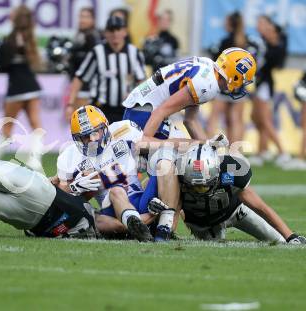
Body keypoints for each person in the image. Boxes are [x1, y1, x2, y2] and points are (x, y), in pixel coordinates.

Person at [57, 105, 198, 242]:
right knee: (116, 190)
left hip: (140, 200)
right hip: (112, 209)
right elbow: (58, 195)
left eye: (96, 132)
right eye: (85, 137)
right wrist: (75, 188)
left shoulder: (124, 130)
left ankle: (165, 229)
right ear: (77, 139)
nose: (93, 140)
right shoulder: (70, 156)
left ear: (105, 126)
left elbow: (165, 144)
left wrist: (200, 144)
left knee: (169, 164)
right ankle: (139, 224)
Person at [147, 143, 306, 244]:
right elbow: (173, 214)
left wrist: (290, 235)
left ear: (217, 171)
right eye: (195, 186)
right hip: (203, 226)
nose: (199, 190)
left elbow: (260, 207)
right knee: (215, 251)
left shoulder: (230, 170)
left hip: (235, 212)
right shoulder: (177, 175)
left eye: (204, 185)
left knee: (280, 241)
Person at [122, 47, 257, 142]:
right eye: (242, 80)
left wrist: (209, 147)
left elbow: (190, 120)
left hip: (143, 107)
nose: (241, 85)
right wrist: (146, 142)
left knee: (189, 153)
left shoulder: (209, 71)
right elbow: (161, 110)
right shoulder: (208, 84)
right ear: (235, 75)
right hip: (144, 111)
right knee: (180, 154)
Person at [68, 16, 146, 124]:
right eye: (111, 30)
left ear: (125, 32)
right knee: (99, 140)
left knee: (126, 140)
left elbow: (142, 81)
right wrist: (70, 104)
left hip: (126, 110)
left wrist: (136, 97)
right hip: (100, 110)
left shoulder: (134, 53)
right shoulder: (97, 52)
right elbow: (79, 77)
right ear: (105, 33)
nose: (115, 34)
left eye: (118, 29)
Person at [0, 5, 43, 170]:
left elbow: (4, 63)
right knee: (35, 123)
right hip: (31, 84)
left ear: (16, 18)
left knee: (7, 124)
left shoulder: (12, 37)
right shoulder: (30, 36)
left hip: (17, 86)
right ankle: (35, 160)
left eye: (13, 13)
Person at [207, 12, 262, 144]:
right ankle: (235, 151)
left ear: (230, 24)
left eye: (226, 21)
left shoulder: (225, 42)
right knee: (236, 119)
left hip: (223, 83)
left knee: (214, 117)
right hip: (239, 85)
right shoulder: (247, 41)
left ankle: (205, 147)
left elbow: (216, 63)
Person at [248, 15, 290, 167]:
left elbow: (268, 64)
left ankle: (282, 152)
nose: (262, 28)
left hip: (265, 84)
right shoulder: (262, 43)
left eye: (267, 27)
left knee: (265, 120)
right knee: (256, 117)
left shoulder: (274, 48)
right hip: (260, 83)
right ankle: (262, 151)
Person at [67, 7, 101, 109]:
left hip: (86, 88)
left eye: (86, 17)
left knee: (81, 121)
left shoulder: (93, 37)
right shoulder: (79, 36)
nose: (82, 20)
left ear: (93, 20)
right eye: (81, 16)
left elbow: (92, 64)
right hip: (76, 86)